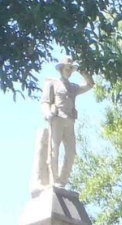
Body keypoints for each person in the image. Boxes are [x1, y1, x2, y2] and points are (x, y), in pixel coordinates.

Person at [33, 58, 95, 191]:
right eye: (67, 68)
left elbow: (90, 84)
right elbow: (45, 101)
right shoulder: (52, 83)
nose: (70, 71)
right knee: (54, 150)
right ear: (61, 69)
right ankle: (54, 180)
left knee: (71, 152)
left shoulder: (73, 87)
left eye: (71, 69)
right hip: (57, 119)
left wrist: (81, 71)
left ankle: (62, 180)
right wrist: (47, 112)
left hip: (70, 121)